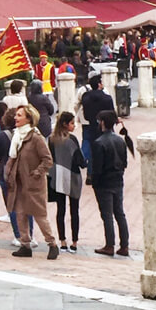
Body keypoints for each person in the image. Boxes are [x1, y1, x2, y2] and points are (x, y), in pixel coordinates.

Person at [4, 104, 58, 259]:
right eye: (16, 115)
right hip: (19, 183)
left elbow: (47, 160)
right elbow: (13, 158)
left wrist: (37, 173)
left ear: (28, 118)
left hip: (34, 184)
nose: (16, 118)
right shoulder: (17, 136)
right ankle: (25, 245)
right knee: (20, 214)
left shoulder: (35, 137)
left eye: (19, 115)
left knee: (40, 215)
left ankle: (52, 244)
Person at [0, 108, 35, 245]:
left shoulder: (1, 136)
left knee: (12, 206)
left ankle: (18, 236)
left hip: (7, 173)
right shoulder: (29, 134)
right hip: (25, 172)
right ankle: (30, 234)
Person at [91, 110, 130, 256]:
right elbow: (124, 162)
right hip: (117, 180)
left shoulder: (99, 143)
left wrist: (95, 183)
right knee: (119, 213)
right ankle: (124, 245)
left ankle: (109, 244)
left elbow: (97, 168)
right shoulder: (120, 140)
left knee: (107, 215)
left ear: (102, 122)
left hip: (104, 183)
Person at [48, 112, 86, 253]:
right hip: (73, 176)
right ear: (65, 124)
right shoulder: (72, 140)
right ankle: (74, 242)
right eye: (72, 123)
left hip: (57, 176)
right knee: (74, 210)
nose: (74, 125)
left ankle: (62, 241)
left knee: (61, 210)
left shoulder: (51, 140)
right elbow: (79, 160)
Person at [80, 71, 114, 182]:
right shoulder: (107, 98)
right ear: (99, 84)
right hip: (105, 127)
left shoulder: (85, 97)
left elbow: (85, 114)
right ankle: (107, 174)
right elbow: (111, 113)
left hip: (91, 126)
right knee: (108, 151)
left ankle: (90, 175)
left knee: (92, 150)